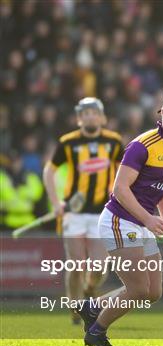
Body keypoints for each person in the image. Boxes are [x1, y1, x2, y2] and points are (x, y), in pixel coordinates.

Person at [75, 90, 163, 346]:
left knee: (152, 292)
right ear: (162, 112)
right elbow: (119, 189)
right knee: (138, 288)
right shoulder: (143, 145)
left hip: (142, 223)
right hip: (119, 220)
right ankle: (96, 332)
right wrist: (150, 220)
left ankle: (92, 307)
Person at [43, 97, 123, 325]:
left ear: (102, 117)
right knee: (76, 265)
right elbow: (49, 171)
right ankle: (74, 308)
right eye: (85, 113)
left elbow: (125, 172)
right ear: (79, 118)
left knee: (98, 267)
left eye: (94, 113)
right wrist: (55, 202)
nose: (90, 117)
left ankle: (89, 291)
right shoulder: (68, 143)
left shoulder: (114, 142)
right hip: (74, 214)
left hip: (101, 214)